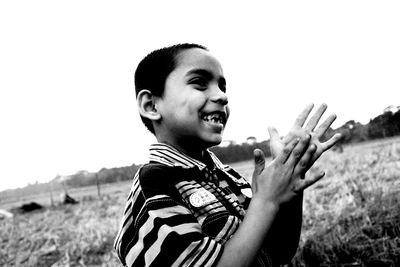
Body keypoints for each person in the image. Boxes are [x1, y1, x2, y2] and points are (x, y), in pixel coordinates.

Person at [114, 43, 341, 267]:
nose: (222, 96)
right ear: (151, 105)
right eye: (199, 83)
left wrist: (289, 178)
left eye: (222, 87)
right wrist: (266, 200)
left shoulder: (229, 177)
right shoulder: (155, 184)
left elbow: (279, 252)